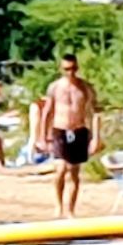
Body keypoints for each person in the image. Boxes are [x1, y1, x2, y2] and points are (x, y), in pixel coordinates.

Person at [39, 53, 99, 219]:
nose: (70, 73)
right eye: (66, 69)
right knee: (60, 169)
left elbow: (95, 113)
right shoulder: (55, 87)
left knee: (73, 171)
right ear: (61, 69)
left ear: (77, 68)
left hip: (79, 130)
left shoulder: (85, 87)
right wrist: (42, 136)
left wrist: (96, 138)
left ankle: (70, 209)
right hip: (60, 130)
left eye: (73, 69)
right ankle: (58, 206)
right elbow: (47, 112)